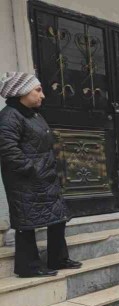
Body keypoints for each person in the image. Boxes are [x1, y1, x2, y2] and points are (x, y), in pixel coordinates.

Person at [0, 71, 81, 277]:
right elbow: (8, 150)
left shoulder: (33, 114)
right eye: (37, 90)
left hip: (45, 177)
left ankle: (58, 258)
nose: (42, 95)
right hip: (26, 180)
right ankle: (29, 268)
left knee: (57, 216)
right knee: (26, 222)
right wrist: (31, 169)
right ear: (21, 92)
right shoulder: (10, 116)